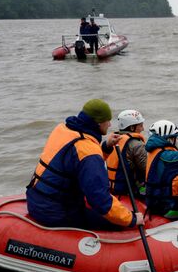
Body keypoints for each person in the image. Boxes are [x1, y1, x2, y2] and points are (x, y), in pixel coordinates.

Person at [26, 99, 144, 230]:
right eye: (107, 121)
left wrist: (105, 147)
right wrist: (132, 218)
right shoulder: (87, 150)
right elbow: (100, 200)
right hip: (56, 212)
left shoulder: (62, 129)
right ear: (98, 123)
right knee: (116, 224)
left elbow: (77, 160)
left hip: (35, 200)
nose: (110, 125)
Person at [105, 110, 147, 197]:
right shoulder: (137, 145)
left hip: (112, 187)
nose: (143, 129)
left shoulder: (112, 140)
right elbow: (147, 169)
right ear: (132, 128)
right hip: (130, 190)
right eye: (140, 125)